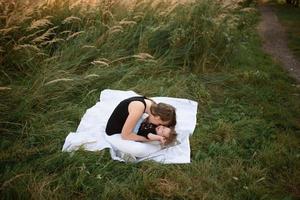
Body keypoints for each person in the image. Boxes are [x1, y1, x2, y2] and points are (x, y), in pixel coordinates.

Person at [105, 96, 176, 159]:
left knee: (157, 136)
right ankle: (159, 147)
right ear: (157, 117)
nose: (159, 126)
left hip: (129, 129)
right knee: (139, 150)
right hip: (115, 134)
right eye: (160, 123)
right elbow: (125, 136)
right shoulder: (138, 108)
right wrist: (147, 139)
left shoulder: (151, 105)